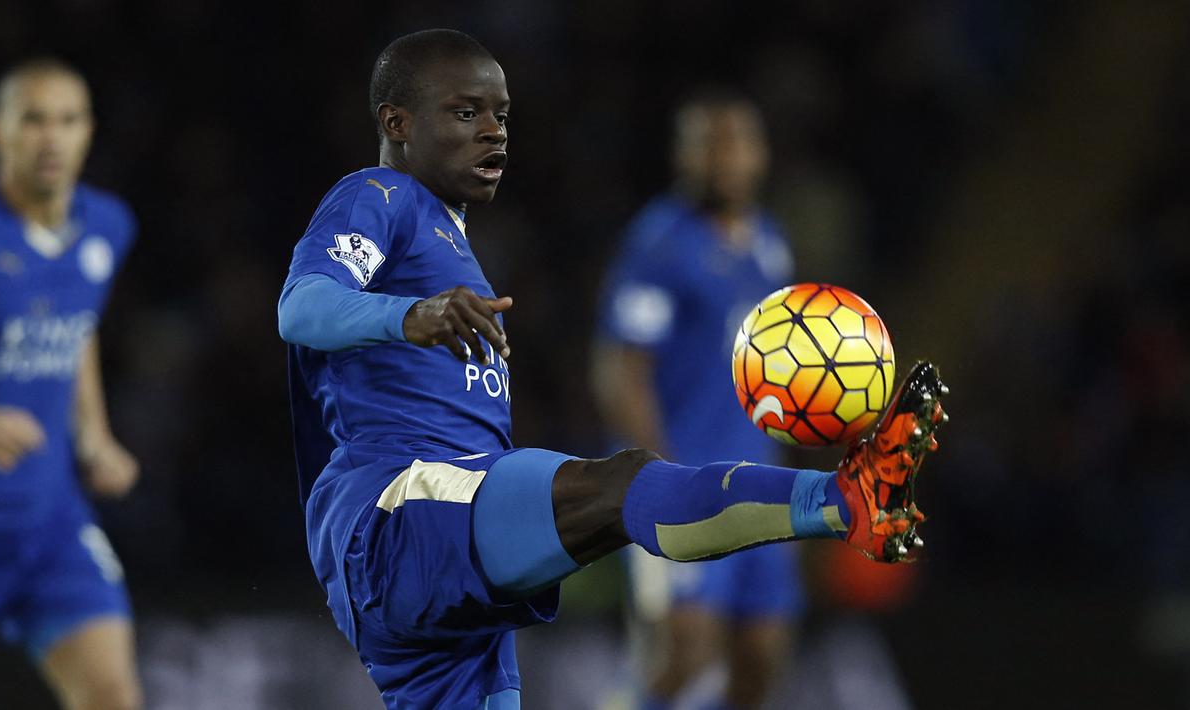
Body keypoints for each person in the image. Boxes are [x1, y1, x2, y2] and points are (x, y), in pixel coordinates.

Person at [278, 29, 947, 710]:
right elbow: (301, 305)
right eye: (464, 113)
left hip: (442, 547)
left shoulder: (452, 242)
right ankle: (844, 499)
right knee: (618, 493)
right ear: (397, 121)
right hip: (400, 512)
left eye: (500, 115)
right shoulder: (379, 196)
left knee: (750, 658)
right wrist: (406, 316)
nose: (492, 133)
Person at [592, 90, 802, 710]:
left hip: (760, 481)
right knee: (684, 654)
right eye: (710, 143)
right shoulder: (661, 244)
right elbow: (619, 370)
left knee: (762, 656)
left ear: (761, 154)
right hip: (686, 481)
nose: (725, 158)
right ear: (683, 156)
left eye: (737, 142)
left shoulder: (768, 242)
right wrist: (663, 478)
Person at [0, 59, 142, 710]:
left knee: (112, 697)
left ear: (88, 131)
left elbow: (76, 327)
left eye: (67, 120)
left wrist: (93, 435)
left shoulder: (107, 226)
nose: (51, 138)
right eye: (32, 120)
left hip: (48, 521)